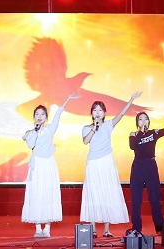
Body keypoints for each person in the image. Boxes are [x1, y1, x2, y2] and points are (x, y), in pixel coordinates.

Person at [80, 91, 142, 238]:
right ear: (91, 113)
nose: (97, 112)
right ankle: (93, 229)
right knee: (94, 193)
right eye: (95, 110)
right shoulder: (87, 128)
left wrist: (131, 99)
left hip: (107, 161)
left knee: (107, 192)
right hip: (93, 163)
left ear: (104, 113)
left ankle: (106, 229)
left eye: (100, 110)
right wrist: (94, 128)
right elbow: (85, 141)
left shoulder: (109, 125)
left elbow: (121, 114)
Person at [21, 93, 79, 238]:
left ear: (46, 117)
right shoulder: (30, 132)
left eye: (42, 114)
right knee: (36, 194)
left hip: (48, 164)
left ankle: (47, 227)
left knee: (48, 193)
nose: (39, 116)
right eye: (37, 114)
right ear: (34, 117)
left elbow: (58, 114)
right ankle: (37, 227)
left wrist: (67, 99)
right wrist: (34, 131)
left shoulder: (50, 129)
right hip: (36, 165)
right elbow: (30, 145)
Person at [128, 103, 164, 234]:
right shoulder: (133, 134)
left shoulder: (154, 133)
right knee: (136, 200)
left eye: (145, 119)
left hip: (151, 166)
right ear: (137, 122)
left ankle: (159, 227)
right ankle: (136, 228)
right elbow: (133, 146)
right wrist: (141, 132)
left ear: (149, 121)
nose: (143, 121)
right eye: (140, 119)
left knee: (154, 198)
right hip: (138, 167)